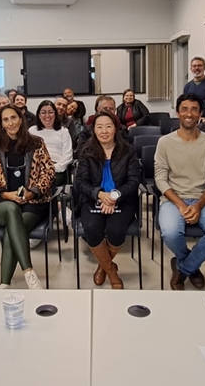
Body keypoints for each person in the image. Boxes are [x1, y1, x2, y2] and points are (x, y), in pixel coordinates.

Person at [155, 93, 205, 290]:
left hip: (202, 199)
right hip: (172, 199)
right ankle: (192, 266)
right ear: (177, 113)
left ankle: (184, 268)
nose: (189, 114)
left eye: (194, 109)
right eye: (184, 109)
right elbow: (160, 178)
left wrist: (198, 205)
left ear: (200, 114)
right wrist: (180, 204)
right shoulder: (165, 143)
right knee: (170, 232)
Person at [0, 105, 55, 289]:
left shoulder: (37, 143)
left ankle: (4, 285)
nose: (10, 122)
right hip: (3, 203)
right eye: (5, 120)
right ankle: (28, 271)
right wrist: (6, 194)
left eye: (13, 117)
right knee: (12, 210)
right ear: (1, 124)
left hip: (33, 202)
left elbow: (48, 173)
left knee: (12, 230)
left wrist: (32, 191)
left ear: (21, 119)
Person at [73, 111, 142, 289]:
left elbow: (134, 181)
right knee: (91, 227)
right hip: (92, 198)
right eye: (99, 127)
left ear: (116, 129)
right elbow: (80, 182)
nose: (104, 131)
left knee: (116, 229)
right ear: (94, 130)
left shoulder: (128, 150)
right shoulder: (87, 151)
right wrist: (99, 195)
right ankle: (111, 271)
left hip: (122, 198)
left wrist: (114, 196)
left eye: (108, 126)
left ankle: (102, 266)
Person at [29, 100, 73, 188]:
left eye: (50, 112)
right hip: (35, 168)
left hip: (56, 169)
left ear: (55, 114)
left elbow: (68, 155)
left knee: (43, 183)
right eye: (43, 112)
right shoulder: (32, 131)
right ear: (39, 115)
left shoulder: (63, 131)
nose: (47, 116)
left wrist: (53, 167)